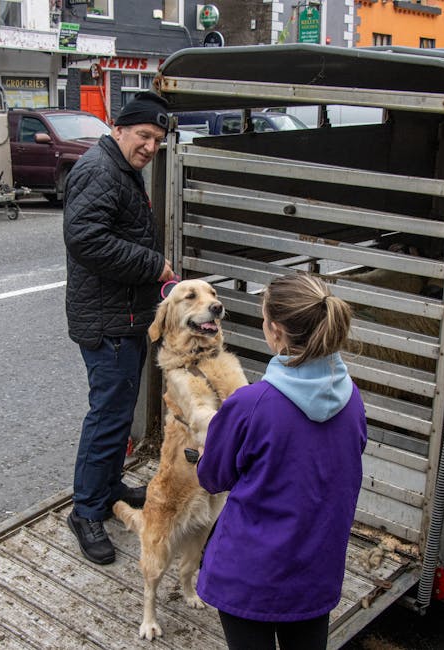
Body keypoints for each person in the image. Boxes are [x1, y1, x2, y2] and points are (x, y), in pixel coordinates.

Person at [196, 274, 368, 650]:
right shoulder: (352, 400)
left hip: (250, 576)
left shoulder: (251, 404)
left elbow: (213, 477)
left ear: (275, 332)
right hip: (315, 571)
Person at [63, 91, 175, 565]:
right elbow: (86, 239)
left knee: (117, 411)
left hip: (124, 315)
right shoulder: (100, 169)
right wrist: (155, 266)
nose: (150, 146)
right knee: (107, 417)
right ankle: (86, 511)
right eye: (144, 136)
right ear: (119, 128)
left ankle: (107, 488)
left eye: (158, 140)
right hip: (108, 320)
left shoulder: (121, 168)